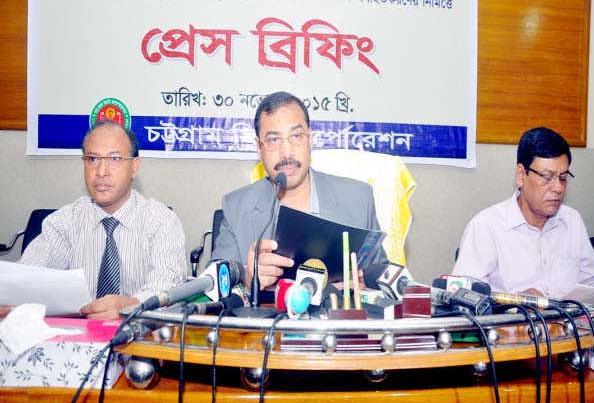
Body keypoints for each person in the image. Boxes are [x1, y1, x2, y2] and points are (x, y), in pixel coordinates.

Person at [211, 91, 387, 291]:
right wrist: (246, 280)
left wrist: (366, 287)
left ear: (310, 139)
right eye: (273, 140)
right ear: (259, 149)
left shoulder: (358, 199)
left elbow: (384, 279)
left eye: (296, 136)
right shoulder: (236, 207)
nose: (287, 153)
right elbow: (211, 288)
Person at [19, 120, 187, 319]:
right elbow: (26, 281)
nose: (101, 171)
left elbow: (168, 291)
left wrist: (130, 306)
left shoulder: (161, 222)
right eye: (92, 159)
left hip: (141, 340)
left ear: (134, 167)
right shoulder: (64, 222)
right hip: (75, 340)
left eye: (114, 158)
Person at [452, 127, 594, 298]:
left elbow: (591, 285)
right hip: (510, 323)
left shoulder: (572, 220)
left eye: (563, 178)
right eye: (547, 177)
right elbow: (463, 299)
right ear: (521, 175)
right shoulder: (486, 226)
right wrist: (512, 303)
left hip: (567, 324)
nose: (558, 188)